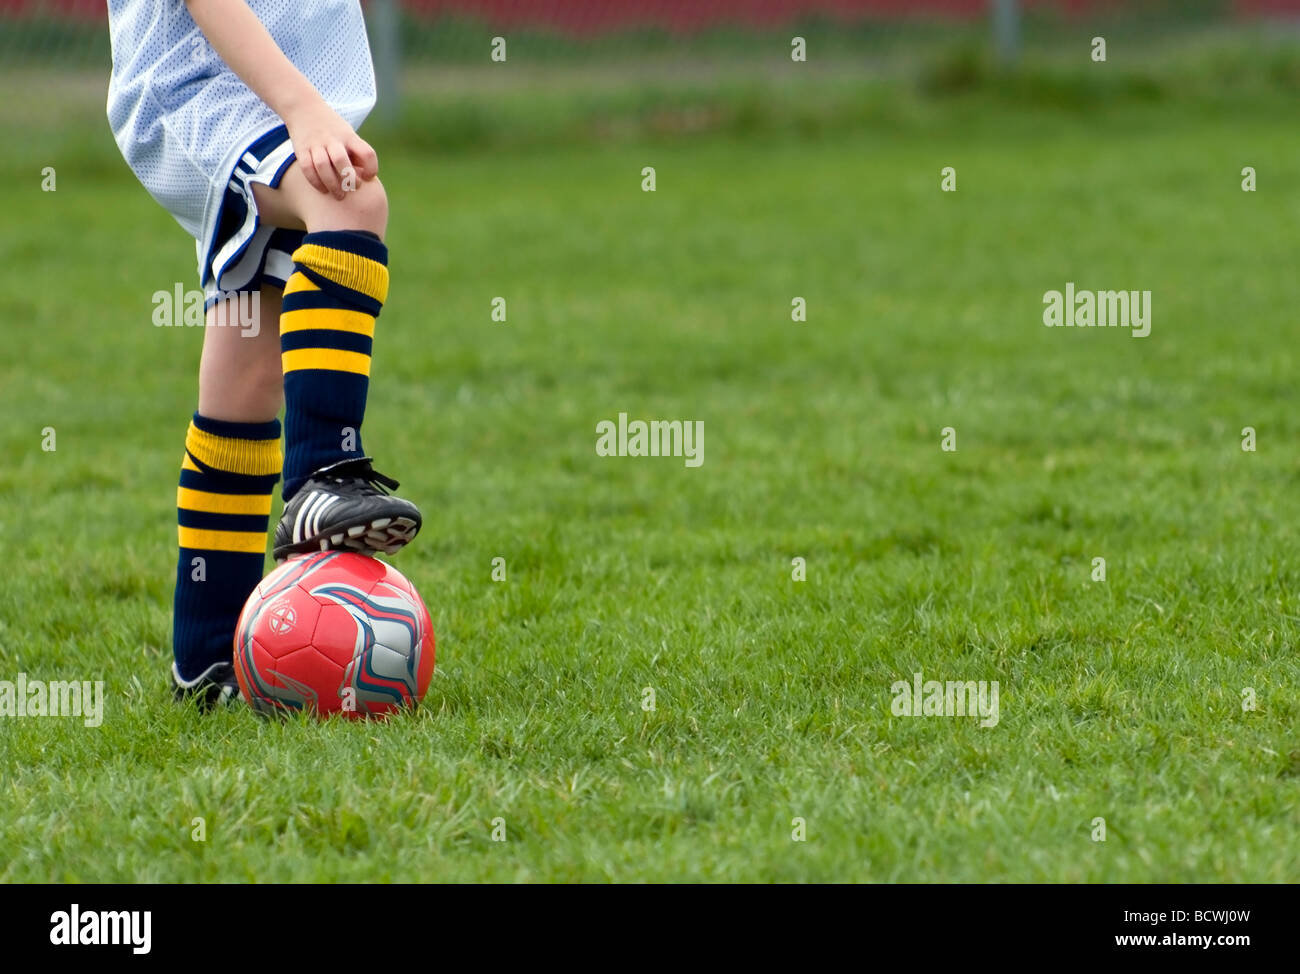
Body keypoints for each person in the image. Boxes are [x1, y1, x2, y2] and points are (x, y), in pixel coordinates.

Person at [106, 0, 421, 707]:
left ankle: (209, 661)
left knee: (248, 361)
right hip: (198, 84)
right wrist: (300, 107)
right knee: (351, 201)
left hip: (276, 86)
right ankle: (321, 475)